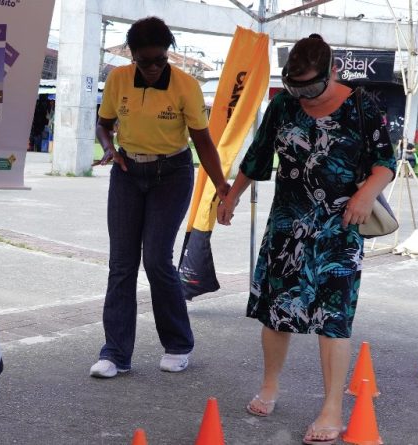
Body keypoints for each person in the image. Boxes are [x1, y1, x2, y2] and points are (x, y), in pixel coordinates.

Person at [216, 34, 395, 445]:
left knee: (333, 317)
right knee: (277, 311)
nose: (304, 97)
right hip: (287, 225)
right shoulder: (282, 105)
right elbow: (258, 156)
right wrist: (231, 197)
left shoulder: (363, 105)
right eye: (296, 88)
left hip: (341, 227)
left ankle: (332, 407)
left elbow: (384, 161)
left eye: (311, 88)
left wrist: (366, 194)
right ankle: (270, 385)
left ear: (333, 71)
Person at [90, 16, 230, 379]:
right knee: (121, 263)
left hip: (171, 174)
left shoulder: (186, 86)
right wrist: (109, 148)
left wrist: (222, 186)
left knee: (155, 259)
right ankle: (115, 353)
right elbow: (104, 124)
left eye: (159, 60)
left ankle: (178, 344)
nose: (153, 68)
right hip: (127, 173)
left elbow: (202, 141)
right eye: (144, 60)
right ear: (131, 55)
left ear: (168, 55)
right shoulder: (118, 79)